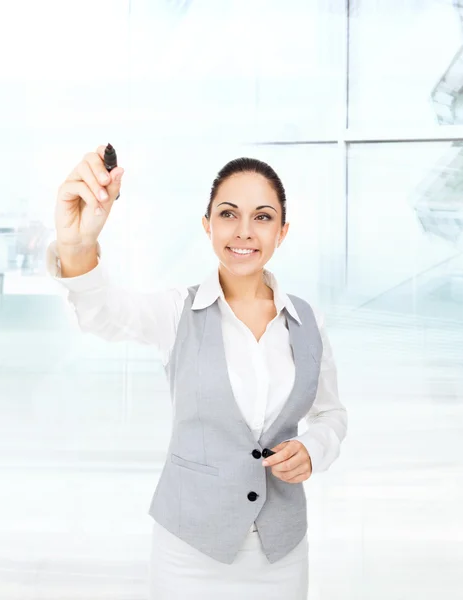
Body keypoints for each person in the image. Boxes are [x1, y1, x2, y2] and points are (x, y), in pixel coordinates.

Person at [47, 145, 348, 599]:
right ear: (207, 225)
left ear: (283, 232)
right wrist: (76, 245)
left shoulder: (309, 322)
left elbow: (331, 415)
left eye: (263, 217)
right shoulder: (177, 312)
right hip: (189, 553)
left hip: (282, 553)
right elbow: (102, 313)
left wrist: (313, 447)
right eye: (228, 214)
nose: (244, 231)